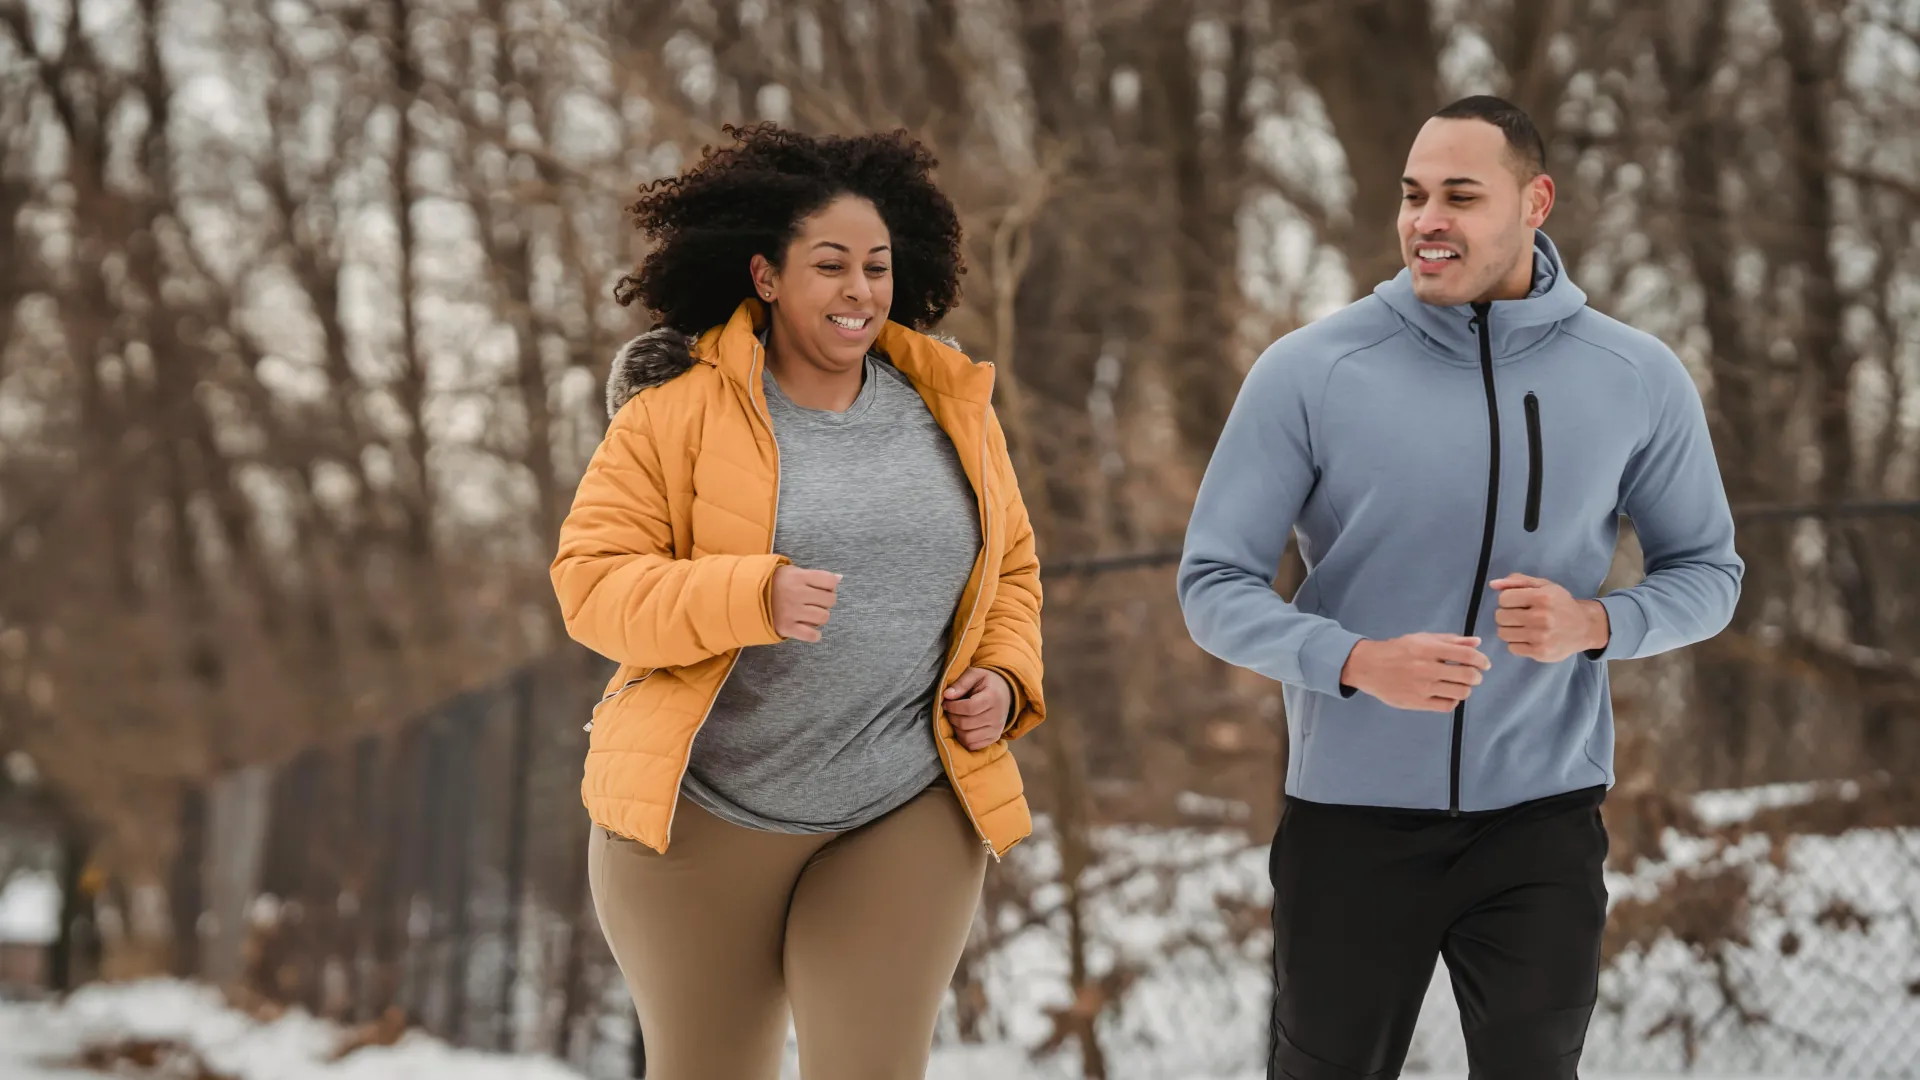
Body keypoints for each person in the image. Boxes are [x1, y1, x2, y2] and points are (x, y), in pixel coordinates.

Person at [1177, 96, 1744, 1079]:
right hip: (1351, 825)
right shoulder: (1311, 372)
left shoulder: (1635, 376)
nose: (1425, 219)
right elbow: (1213, 585)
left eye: (1459, 195)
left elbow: (1711, 575)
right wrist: (1352, 661)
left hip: (1542, 821)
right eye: (1413, 195)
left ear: (1536, 202)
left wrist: (1597, 623)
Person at [550, 124, 1045, 1079]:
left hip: (901, 800)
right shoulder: (673, 413)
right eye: (830, 266)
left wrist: (1003, 674)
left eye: (877, 266)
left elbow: (1013, 573)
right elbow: (594, 586)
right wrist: (751, 595)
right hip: (702, 817)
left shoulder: (949, 409)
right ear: (767, 277)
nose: (860, 291)